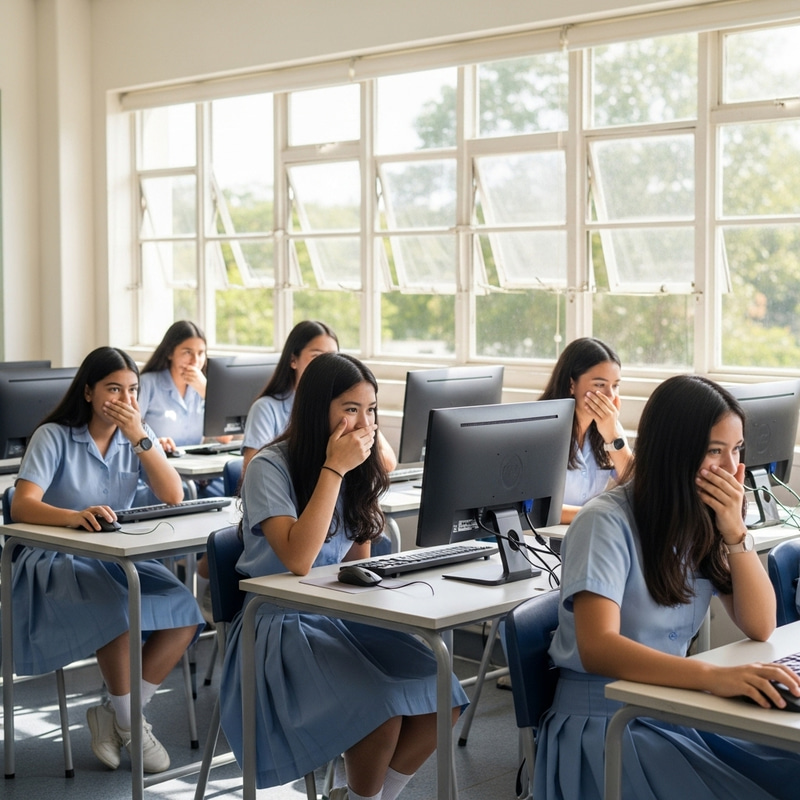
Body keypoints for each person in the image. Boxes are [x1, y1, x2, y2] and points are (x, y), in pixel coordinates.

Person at [534, 374, 800, 800]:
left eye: (737, 451)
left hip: (670, 706)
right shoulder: (604, 521)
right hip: (607, 725)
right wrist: (715, 677)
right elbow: (597, 645)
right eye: (715, 451)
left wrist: (734, 533)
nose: (732, 469)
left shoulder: (702, 519)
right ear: (675, 452)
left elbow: (761, 624)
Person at [219, 352, 467, 800]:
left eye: (370, 410)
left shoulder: (357, 471)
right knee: (380, 705)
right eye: (350, 409)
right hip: (277, 625)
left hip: (337, 613)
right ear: (320, 410)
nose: (363, 422)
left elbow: (355, 566)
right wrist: (333, 469)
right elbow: (299, 557)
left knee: (444, 690)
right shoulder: (269, 467)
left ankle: (361, 797)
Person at [10, 346, 205, 774]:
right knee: (117, 610)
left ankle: (115, 712)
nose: (124, 399)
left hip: (115, 558)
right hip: (55, 557)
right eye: (113, 388)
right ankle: (133, 725)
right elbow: (22, 506)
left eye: (132, 390)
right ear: (88, 392)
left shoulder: (135, 437)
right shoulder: (55, 435)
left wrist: (141, 437)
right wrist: (73, 518)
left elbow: (173, 495)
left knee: (185, 614)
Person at [241, 319, 397, 474]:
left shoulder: (347, 408)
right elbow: (254, 471)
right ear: (293, 360)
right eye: (317, 356)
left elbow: (387, 464)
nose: (326, 365)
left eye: (333, 357)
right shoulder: (266, 408)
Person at [539, 337, 632, 524]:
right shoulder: (541, 430)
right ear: (571, 385)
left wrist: (612, 436)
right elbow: (535, 508)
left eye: (615, 386)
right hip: (543, 539)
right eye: (599, 385)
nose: (610, 396)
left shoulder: (608, 427)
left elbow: (638, 483)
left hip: (588, 530)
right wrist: (596, 515)